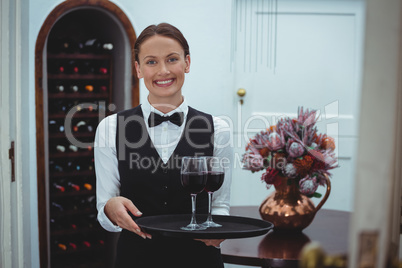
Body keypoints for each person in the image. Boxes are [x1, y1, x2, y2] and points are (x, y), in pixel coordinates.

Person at [94, 22, 233, 268]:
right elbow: (105, 211)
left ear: (187, 63)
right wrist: (109, 209)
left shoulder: (219, 129)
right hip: (135, 260)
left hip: (199, 260)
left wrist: (218, 231)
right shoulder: (110, 128)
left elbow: (220, 204)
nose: (163, 71)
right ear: (138, 69)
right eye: (151, 62)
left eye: (172, 59)